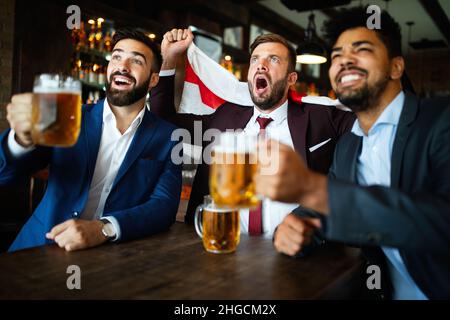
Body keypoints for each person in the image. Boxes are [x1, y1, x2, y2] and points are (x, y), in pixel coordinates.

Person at [256, 7, 450, 299]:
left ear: (396, 67)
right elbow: (322, 211)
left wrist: (313, 188)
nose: (344, 60)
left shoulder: (441, 121)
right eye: (336, 56)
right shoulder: (348, 147)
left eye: (362, 50)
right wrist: (295, 227)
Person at [151, 28, 355, 237]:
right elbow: (164, 119)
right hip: (221, 245)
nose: (261, 65)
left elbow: (369, 120)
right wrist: (169, 58)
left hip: (296, 250)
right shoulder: (225, 116)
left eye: (273, 59)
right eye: (255, 59)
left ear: (291, 78)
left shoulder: (321, 116)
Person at [0, 28, 182, 252]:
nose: (122, 67)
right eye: (116, 57)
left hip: (107, 259)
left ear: (153, 79)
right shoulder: (69, 116)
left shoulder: (168, 137)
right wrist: (21, 140)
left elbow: (163, 208)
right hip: (38, 248)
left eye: (136, 61)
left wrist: (105, 229)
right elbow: (6, 174)